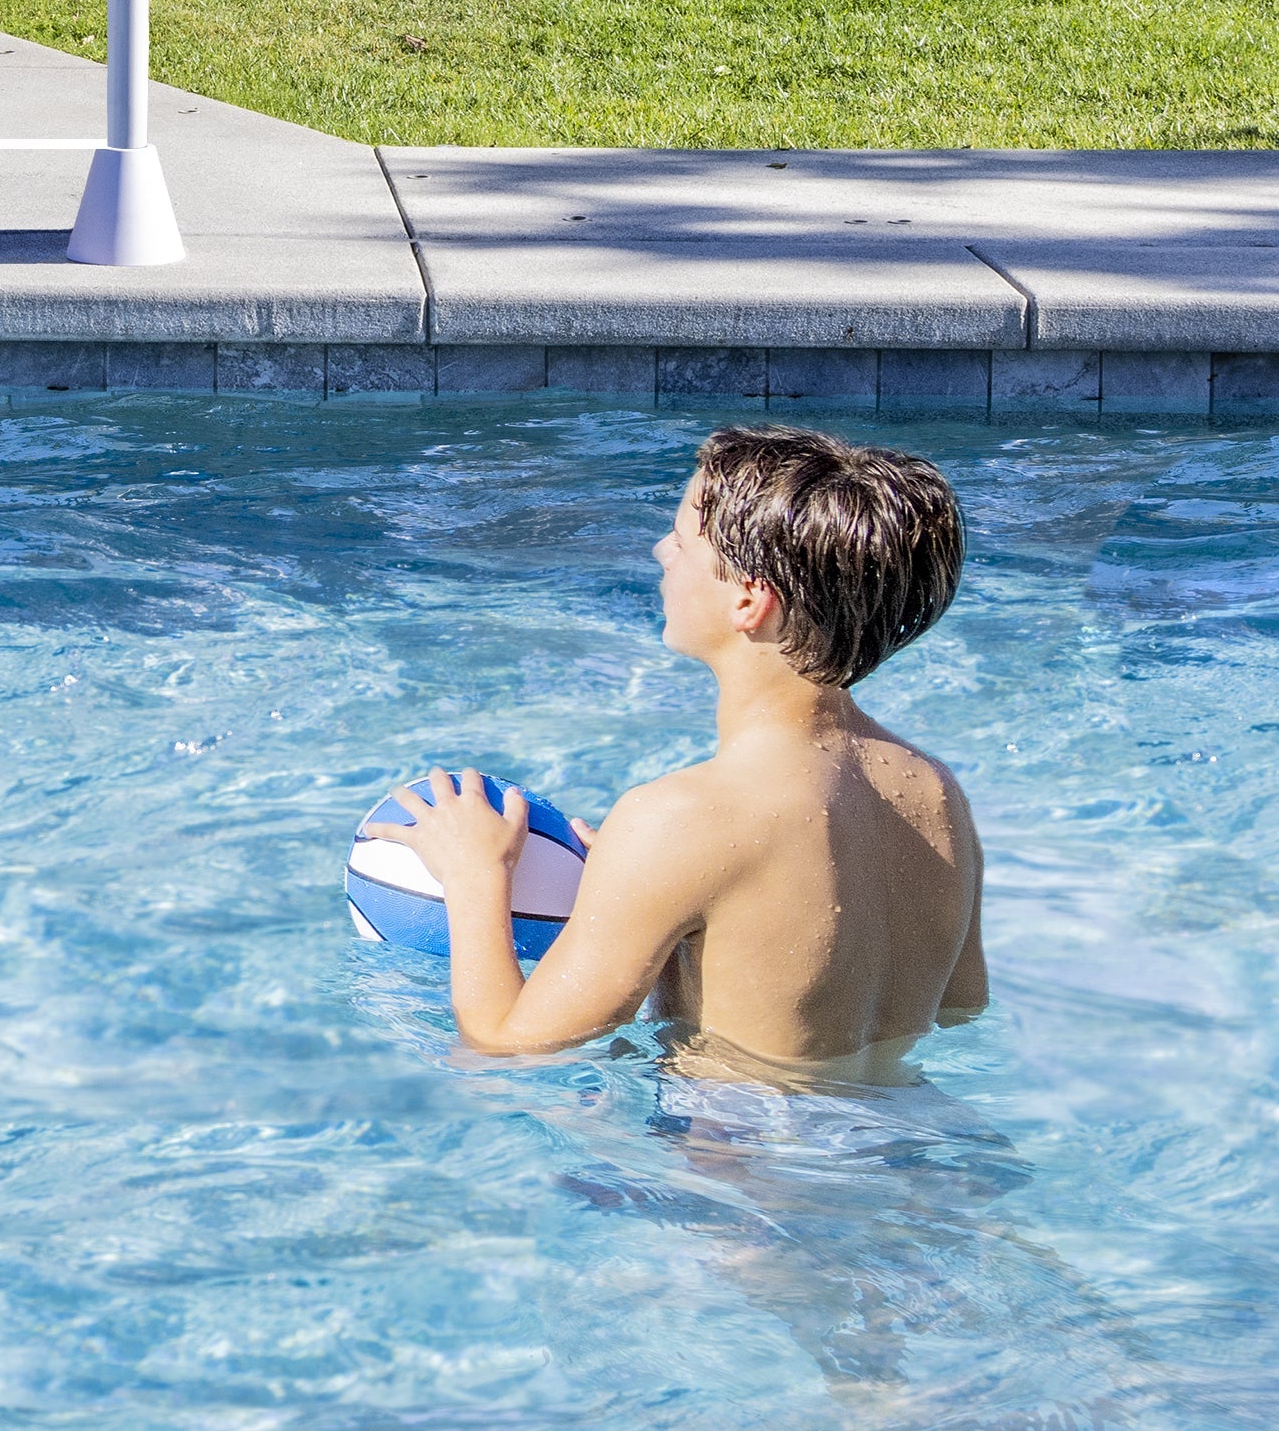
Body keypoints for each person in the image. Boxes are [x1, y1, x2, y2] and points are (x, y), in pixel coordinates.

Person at [377, 425, 985, 1084]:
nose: (661, 550)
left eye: (683, 540)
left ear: (750, 599)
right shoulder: (932, 790)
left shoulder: (681, 819)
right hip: (900, 1136)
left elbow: (506, 1045)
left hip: (735, 1169)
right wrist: (680, 923)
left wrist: (475, 878)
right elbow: (956, 1008)